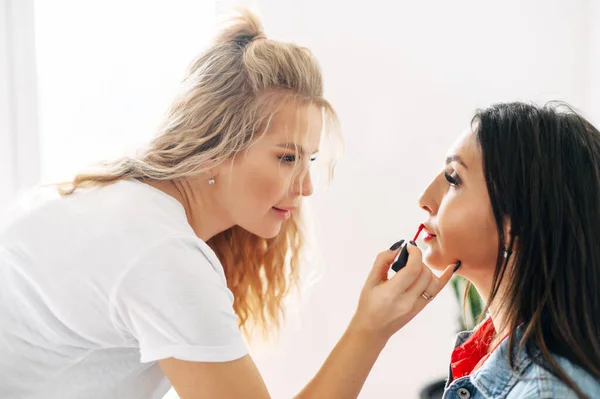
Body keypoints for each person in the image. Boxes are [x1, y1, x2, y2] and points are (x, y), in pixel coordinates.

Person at [0, 9, 458, 399]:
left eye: (309, 159)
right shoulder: (161, 251)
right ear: (217, 143)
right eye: (286, 157)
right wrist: (370, 328)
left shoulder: (125, 205)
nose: (306, 188)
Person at [418, 101, 600, 398]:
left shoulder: (547, 393)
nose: (424, 198)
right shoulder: (484, 353)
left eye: (453, 179)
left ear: (516, 223)